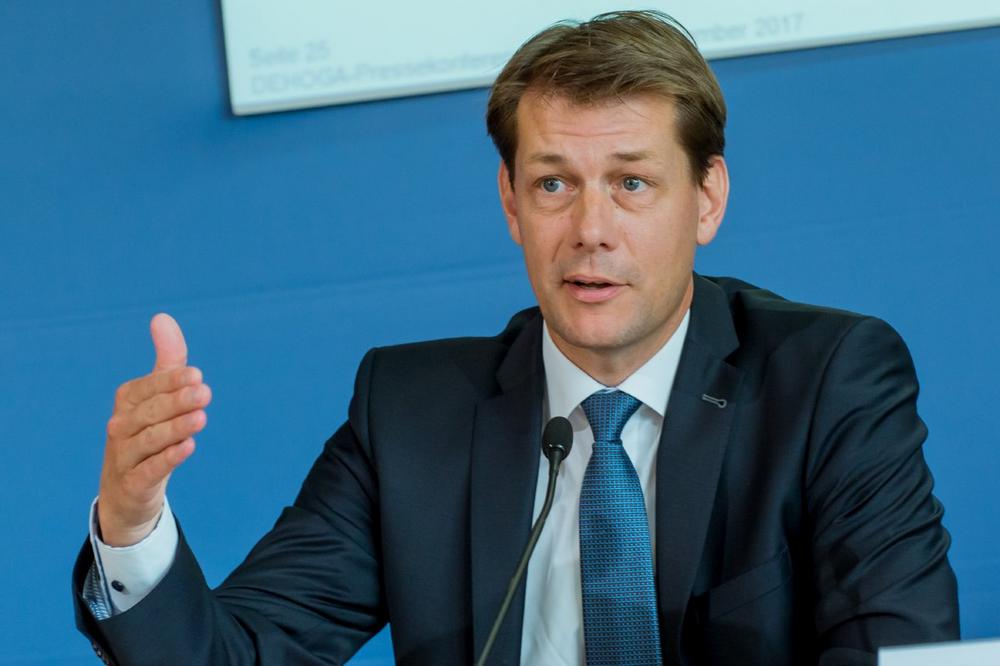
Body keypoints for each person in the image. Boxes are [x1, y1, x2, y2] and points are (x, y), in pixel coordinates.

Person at [72, 10, 959, 666]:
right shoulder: (410, 415)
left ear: (708, 198)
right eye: (553, 185)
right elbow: (236, 656)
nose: (591, 231)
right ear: (510, 202)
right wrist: (133, 524)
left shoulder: (826, 383)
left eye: (633, 184)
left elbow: (901, 649)